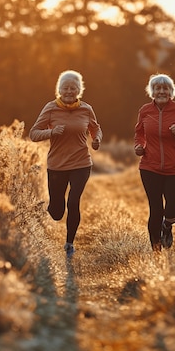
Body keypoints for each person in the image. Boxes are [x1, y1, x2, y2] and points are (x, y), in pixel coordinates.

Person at [29, 70, 102, 259]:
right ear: (59, 90)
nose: (69, 91)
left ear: (79, 90)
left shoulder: (86, 109)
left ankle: (69, 243)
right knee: (56, 211)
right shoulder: (51, 108)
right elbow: (34, 133)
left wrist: (96, 140)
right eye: (65, 88)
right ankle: (50, 215)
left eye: (73, 88)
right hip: (57, 165)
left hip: (81, 163)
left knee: (74, 201)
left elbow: (95, 128)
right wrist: (51, 132)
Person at [134, 73, 175, 251]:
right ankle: (156, 249)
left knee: (173, 209)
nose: (161, 91)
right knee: (155, 209)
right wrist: (139, 146)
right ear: (152, 91)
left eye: (165, 88)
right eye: (157, 88)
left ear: (171, 91)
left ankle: (167, 226)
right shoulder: (145, 111)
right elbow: (139, 133)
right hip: (149, 167)